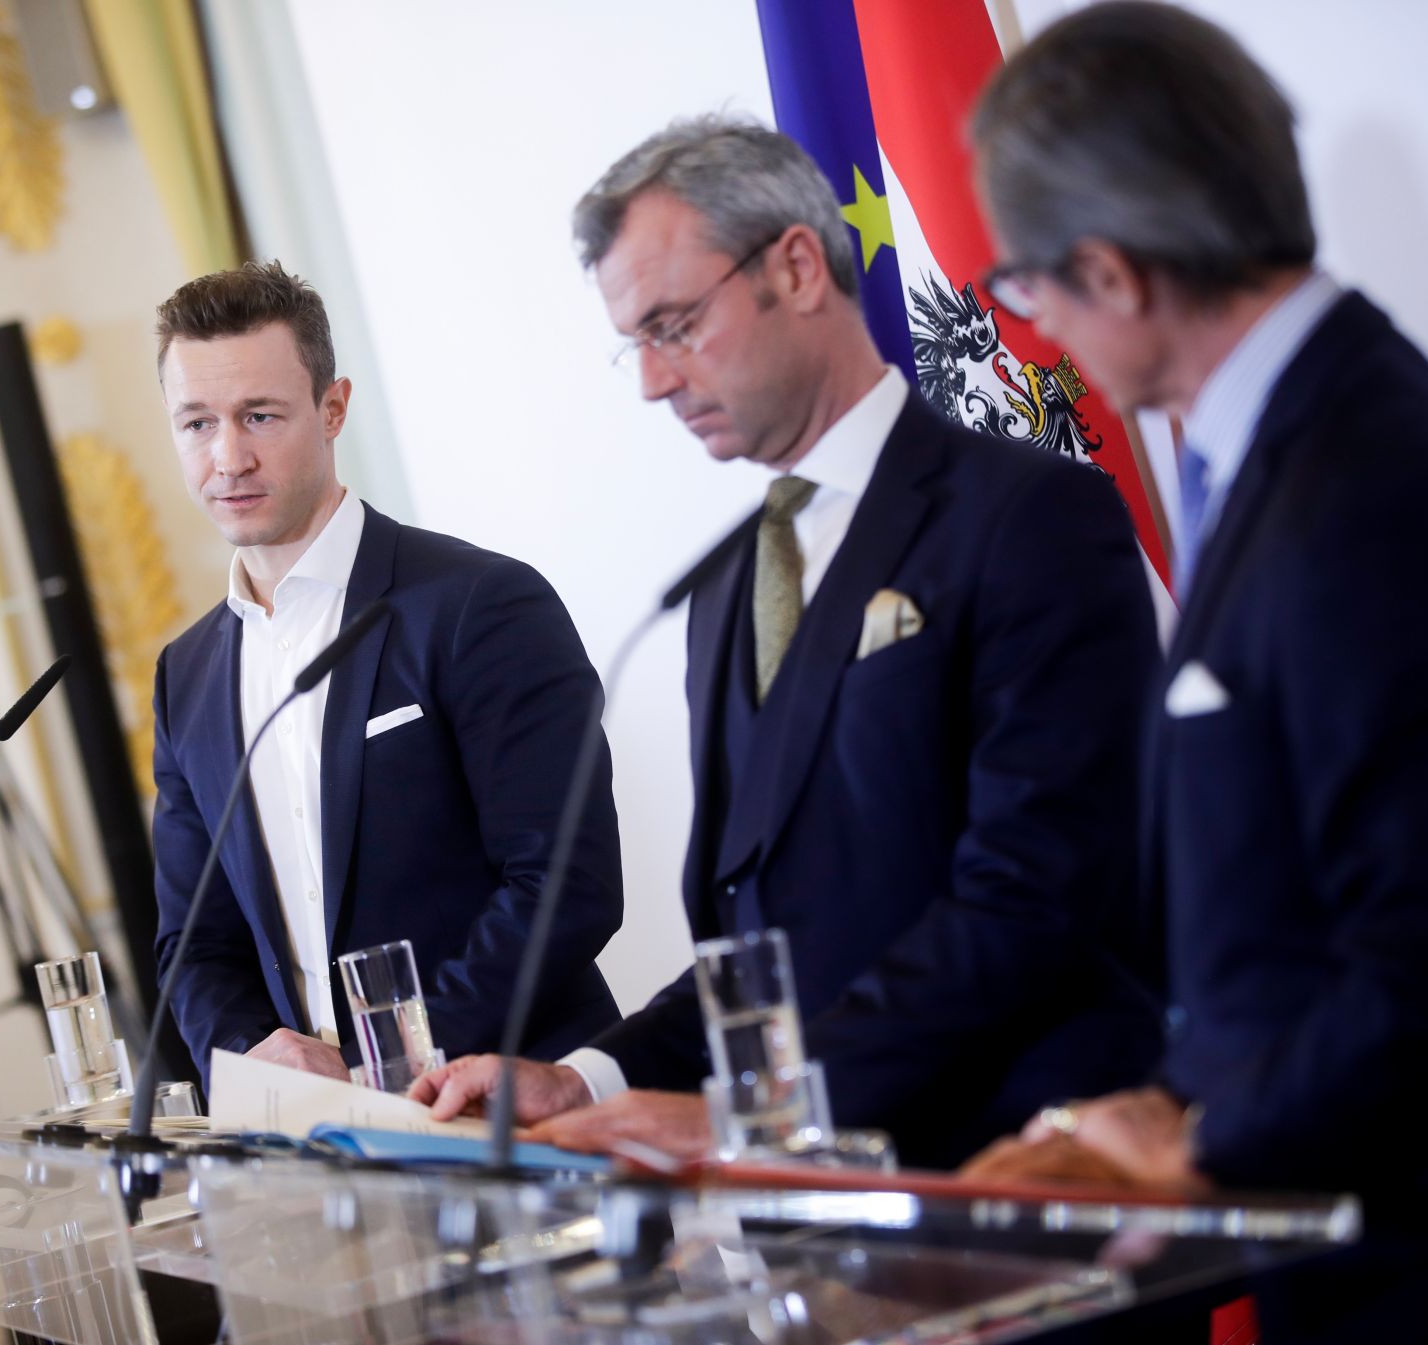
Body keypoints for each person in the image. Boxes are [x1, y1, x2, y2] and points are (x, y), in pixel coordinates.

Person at [413, 117, 1162, 1168]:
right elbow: (754, 958)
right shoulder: (722, 590)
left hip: (1024, 1181)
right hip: (822, 1204)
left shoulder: (1026, 518)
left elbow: (1030, 896)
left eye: (672, 325)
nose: (652, 382)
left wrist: (764, 1114)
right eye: (634, 342)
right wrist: (587, 1076)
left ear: (797, 266)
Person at [958, 5, 1428, 1338]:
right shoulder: (1284, 437)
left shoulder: (1364, 479)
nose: (1033, 331)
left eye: (1026, 289)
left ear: (1110, 274)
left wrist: (1200, 1148)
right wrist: (1172, 1104)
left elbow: (1414, 943)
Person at [150, 261, 623, 1085]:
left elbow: (565, 881)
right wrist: (252, 1054)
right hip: (325, 1143)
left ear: (333, 409)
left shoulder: (480, 602)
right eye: (196, 423)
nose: (227, 456)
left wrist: (393, 1061)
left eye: (259, 415)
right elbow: (194, 942)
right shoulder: (185, 674)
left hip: (522, 1105)